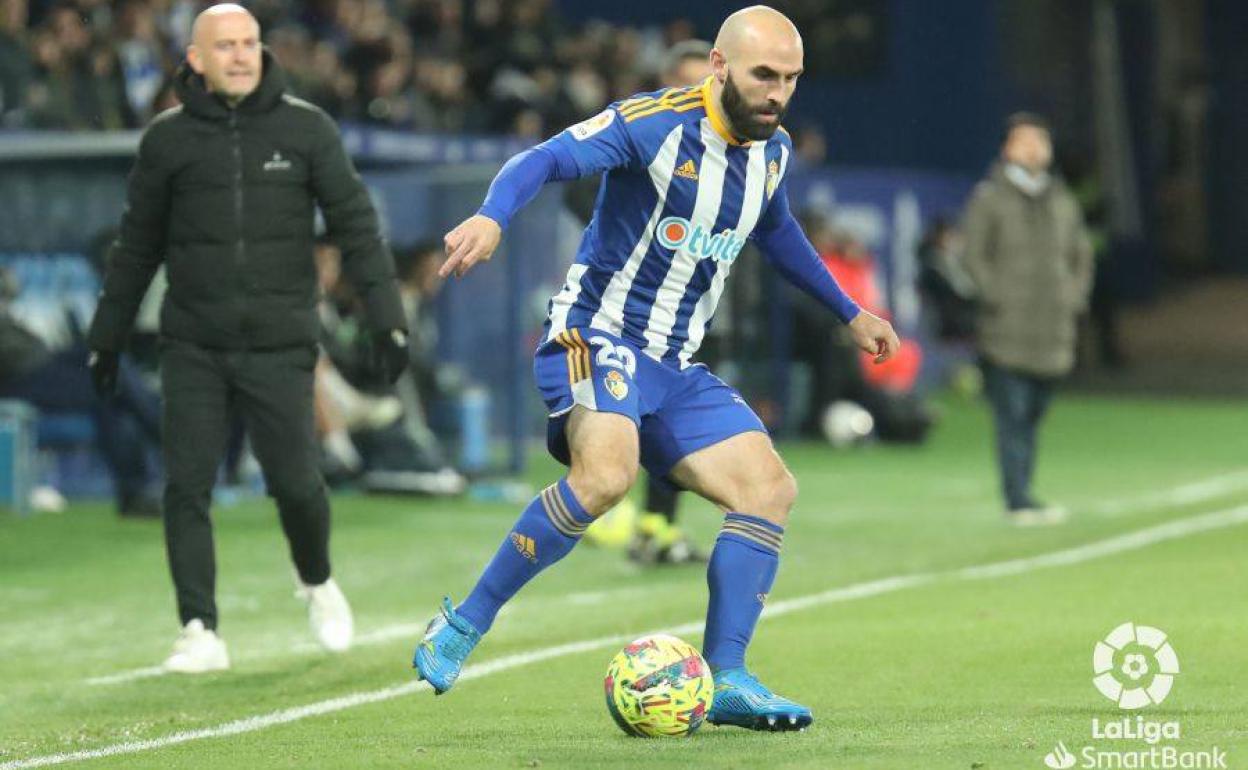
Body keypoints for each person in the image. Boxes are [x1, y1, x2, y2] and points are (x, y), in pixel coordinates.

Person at [411, 6, 898, 731]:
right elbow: (542, 158)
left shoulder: (774, 151)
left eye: (792, 79)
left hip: (673, 362)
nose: (778, 93)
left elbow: (776, 229)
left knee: (768, 489)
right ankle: (464, 622)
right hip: (596, 336)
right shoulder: (655, 123)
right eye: (765, 75)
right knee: (607, 476)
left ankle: (727, 677)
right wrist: (492, 215)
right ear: (720, 67)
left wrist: (847, 311)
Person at [85, 4, 409, 673]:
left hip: (281, 343)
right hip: (194, 344)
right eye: (224, 45)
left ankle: (316, 578)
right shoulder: (167, 141)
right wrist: (107, 335)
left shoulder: (305, 129)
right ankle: (199, 629)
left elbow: (356, 228)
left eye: (249, 44)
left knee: (297, 485)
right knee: (187, 485)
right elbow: (136, 247)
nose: (239, 55)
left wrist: (387, 318)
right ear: (195, 58)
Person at [961, 112, 1093, 526]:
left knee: (1035, 413)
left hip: (1053, 329)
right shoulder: (989, 197)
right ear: (1007, 148)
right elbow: (972, 255)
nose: (1034, 148)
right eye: (1024, 140)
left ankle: (1023, 491)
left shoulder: (1062, 198)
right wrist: (995, 295)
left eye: (1040, 140)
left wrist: (1073, 296)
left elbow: (1081, 254)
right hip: (1006, 328)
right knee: (1012, 415)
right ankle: (1018, 497)